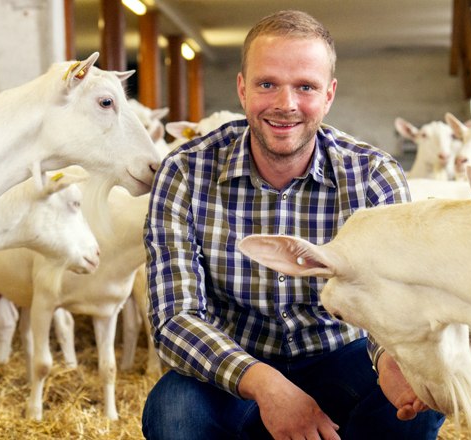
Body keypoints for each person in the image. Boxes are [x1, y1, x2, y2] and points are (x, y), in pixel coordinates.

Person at [142, 9, 445, 439]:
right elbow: (176, 317)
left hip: (342, 355)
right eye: (268, 84)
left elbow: (392, 301)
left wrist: (390, 360)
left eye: (305, 87)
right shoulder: (186, 173)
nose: (286, 105)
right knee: (172, 413)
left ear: (329, 95)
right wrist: (266, 386)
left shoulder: (373, 176)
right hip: (236, 368)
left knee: (421, 397)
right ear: (243, 89)